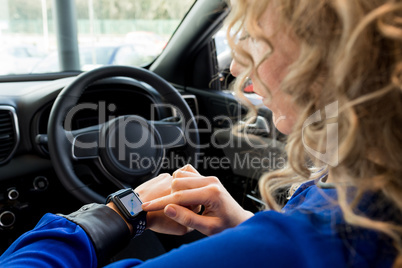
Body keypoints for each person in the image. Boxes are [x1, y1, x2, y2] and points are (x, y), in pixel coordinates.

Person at [1, 0, 402, 267]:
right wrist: (246, 229)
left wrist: (109, 217)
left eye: (254, 38)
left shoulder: (296, 246)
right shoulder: (368, 206)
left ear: (328, 58)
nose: (236, 71)